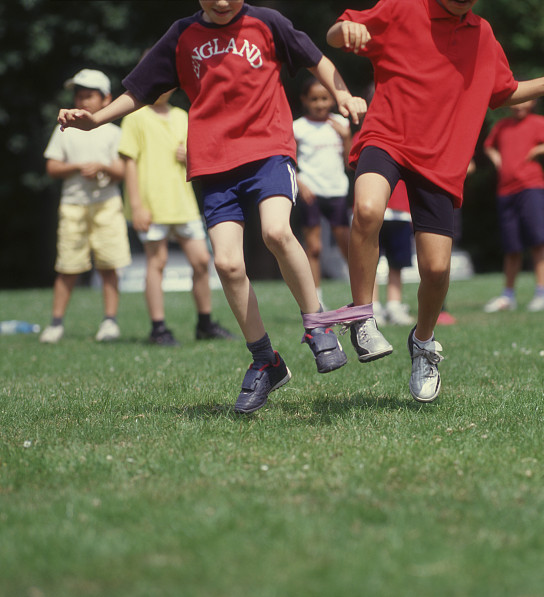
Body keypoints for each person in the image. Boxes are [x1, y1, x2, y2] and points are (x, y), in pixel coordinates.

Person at [58, 1, 367, 414]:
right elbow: (139, 91)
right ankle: (266, 361)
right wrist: (96, 120)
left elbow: (316, 59)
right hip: (213, 163)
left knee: (276, 231)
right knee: (226, 263)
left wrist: (342, 93)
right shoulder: (182, 35)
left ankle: (317, 324)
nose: (222, 2)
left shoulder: (266, 23)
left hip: (268, 151)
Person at [327, 0, 544, 402]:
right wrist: (346, 33)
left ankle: (423, 343)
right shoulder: (402, 8)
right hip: (388, 136)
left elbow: (505, 91)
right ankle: (362, 316)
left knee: (436, 268)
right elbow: (337, 32)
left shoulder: (482, 34)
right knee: (369, 208)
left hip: (440, 157)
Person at [119, 87, 234, 346]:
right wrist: (136, 206)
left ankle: (205, 324)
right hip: (152, 205)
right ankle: (158, 329)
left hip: (183, 203)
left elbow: (202, 155)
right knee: (156, 262)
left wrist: (191, 156)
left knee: (202, 261)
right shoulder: (134, 117)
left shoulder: (183, 116)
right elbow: (129, 163)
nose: (160, 87)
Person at [40, 69, 131, 344]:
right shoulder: (64, 130)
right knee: (68, 266)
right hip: (74, 206)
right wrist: (78, 166)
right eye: (78, 95)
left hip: (107, 205)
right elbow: (52, 166)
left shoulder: (114, 131)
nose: (82, 100)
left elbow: (124, 170)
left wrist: (103, 166)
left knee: (109, 265)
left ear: (107, 99)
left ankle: (110, 322)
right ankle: (56, 324)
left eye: (89, 95)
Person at [482, 99, 544, 313]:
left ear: (532, 102)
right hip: (505, 192)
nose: (519, 105)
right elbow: (488, 146)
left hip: (531, 189)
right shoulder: (502, 126)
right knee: (511, 247)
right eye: (516, 101)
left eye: (525, 100)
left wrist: (539, 150)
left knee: (538, 241)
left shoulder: (538, 123)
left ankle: (542, 294)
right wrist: (497, 158)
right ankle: (508, 296)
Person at [293, 78, 352, 311]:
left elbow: (350, 163)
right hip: (311, 193)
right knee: (314, 248)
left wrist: (346, 138)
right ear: (304, 101)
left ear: (332, 99)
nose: (319, 104)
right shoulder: (297, 127)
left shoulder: (340, 124)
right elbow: (289, 160)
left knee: (347, 246)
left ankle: (363, 297)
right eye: (314, 99)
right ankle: (316, 300)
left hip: (336, 191)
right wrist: (300, 183)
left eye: (324, 98)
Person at [373, 180, 416, 326]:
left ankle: (394, 305)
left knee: (398, 262)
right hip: (372, 207)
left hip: (401, 210)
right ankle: (372, 307)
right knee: (369, 263)